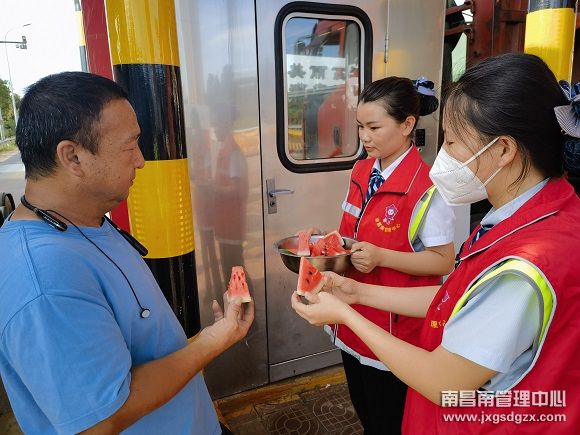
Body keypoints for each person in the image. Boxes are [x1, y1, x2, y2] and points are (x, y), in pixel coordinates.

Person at [292, 53, 580, 434]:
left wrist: (346, 314)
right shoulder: (526, 218)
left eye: (454, 141)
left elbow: (445, 382)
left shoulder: (528, 262)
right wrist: (357, 293)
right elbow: (456, 296)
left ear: (503, 150)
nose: (443, 156)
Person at [0, 72, 254, 435]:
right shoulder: (45, 278)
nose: (141, 161)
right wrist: (215, 341)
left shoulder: (87, 222)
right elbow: (100, 420)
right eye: (130, 145)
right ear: (73, 156)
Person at [305, 76, 456, 434]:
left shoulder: (427, 186)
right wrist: (326, 241)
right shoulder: (361, 170)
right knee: (364, 410)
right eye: (360, 127)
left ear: (407, 125)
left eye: (374, 127)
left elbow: (443, 261)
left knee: (388, 420)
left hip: (393, 331)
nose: (365, 137)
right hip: (350, 318)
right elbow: (355, 232)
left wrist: (381, 257)